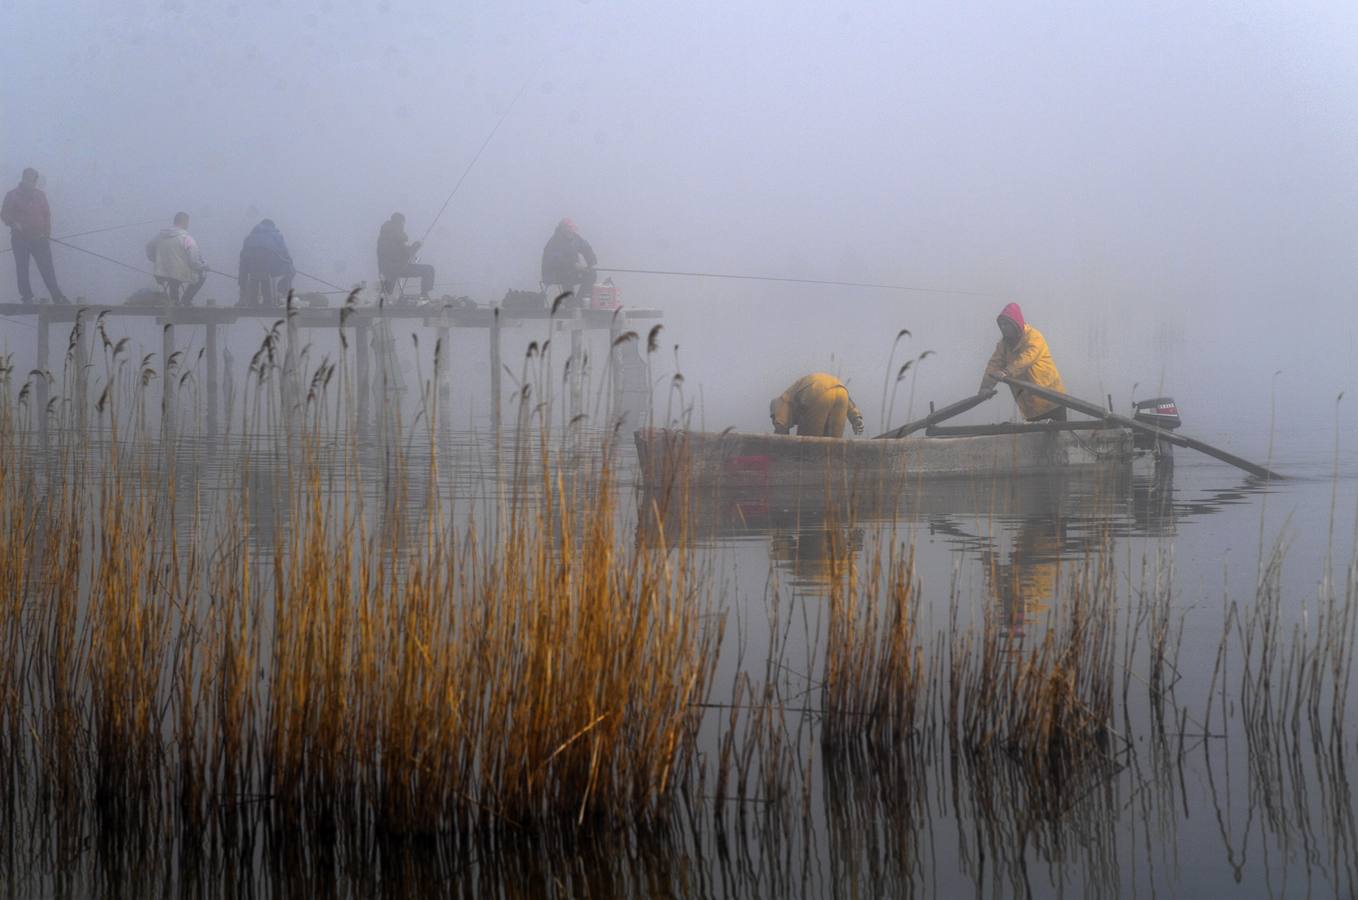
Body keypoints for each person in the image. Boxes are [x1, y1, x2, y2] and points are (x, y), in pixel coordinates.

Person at [980, 302, 1066, 421]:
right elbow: (994, 364)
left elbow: (1027, 359)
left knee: (1058, 437)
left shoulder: (1034, 337)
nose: (1003, 327)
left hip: (1051, 401)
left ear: (1015, 324)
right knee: (1034, 439)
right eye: (1001, 324)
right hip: (1030, 407)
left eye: (1006, 324)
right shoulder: (1003, 345)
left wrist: (1007, 371)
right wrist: (986, 387)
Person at [2, 168, 68, 304]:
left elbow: (46, 215)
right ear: (23, 178)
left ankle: (57, 296)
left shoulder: (40, 195)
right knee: (22, 268)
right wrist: (13, 223)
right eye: (29, 179)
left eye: (33, 180)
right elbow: (4, 214)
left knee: (47, 268)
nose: (31, 182)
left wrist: (47, 234)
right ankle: (27, 297)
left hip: (40, 238)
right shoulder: (12, 195)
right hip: (20, 239)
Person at [770, 373, 865, 438]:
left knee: (808, 447)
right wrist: (856, 417)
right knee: (834, 447)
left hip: (816, 390)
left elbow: (781, 430)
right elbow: (847, 399)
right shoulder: (791, 393)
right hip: (842, 391)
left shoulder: (780, 402)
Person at [146, 212, 208, 307]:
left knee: (173, 277)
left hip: (160, 274)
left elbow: (149, 247)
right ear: (185, 222)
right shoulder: (187, 239)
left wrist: (156, 260)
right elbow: (194, 262)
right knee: (202, 275)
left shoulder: (159, 236)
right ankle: (186, 300)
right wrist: (204, 266)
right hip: (178, 274)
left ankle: (174, 299)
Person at [237, 219, 295, 307]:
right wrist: (290, 265)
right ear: (272, 226)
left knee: (254, 277)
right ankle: (268, 302)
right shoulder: (276, 235)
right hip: (269, 256)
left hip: (250, 257)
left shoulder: (249, 237)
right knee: (266, 276)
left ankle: (252, 301)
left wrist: (242, 283)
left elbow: (243, 257)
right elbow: (284, 252)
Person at [376, 212, 433, 301]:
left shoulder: (383, 237)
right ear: (401, 223)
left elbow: (396, 253)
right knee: (428, 270)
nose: (404, 226)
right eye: (403, 223)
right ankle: (424, 297)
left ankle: (384, 295)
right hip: (398, 268)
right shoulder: (397, 235)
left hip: (386, 270)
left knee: (389, 286)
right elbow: (406, 254)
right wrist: (416, 245)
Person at [540, 218, 597, 306]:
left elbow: (587, 249)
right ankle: (570, 301)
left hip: (572, 270)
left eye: (572, 229)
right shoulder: (555, 241)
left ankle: (578, 301)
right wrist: (573, 265)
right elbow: (556, 260)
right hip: (554, 273)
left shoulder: (576, 238)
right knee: (567, 274)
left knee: (592, 274)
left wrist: (591, 263)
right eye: (568, 228)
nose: (571, 231)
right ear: (562, 229)